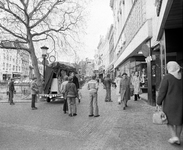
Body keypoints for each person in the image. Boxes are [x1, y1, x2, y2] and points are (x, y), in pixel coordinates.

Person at [156, 61, 182, 145]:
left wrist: (158, 102)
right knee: (179, 121)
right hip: (181, 103)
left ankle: (174, 136)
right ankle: (178, 138)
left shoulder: (167, 77)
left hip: (170, 103)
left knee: (168, 120)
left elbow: (162, 91)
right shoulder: (182, 77)